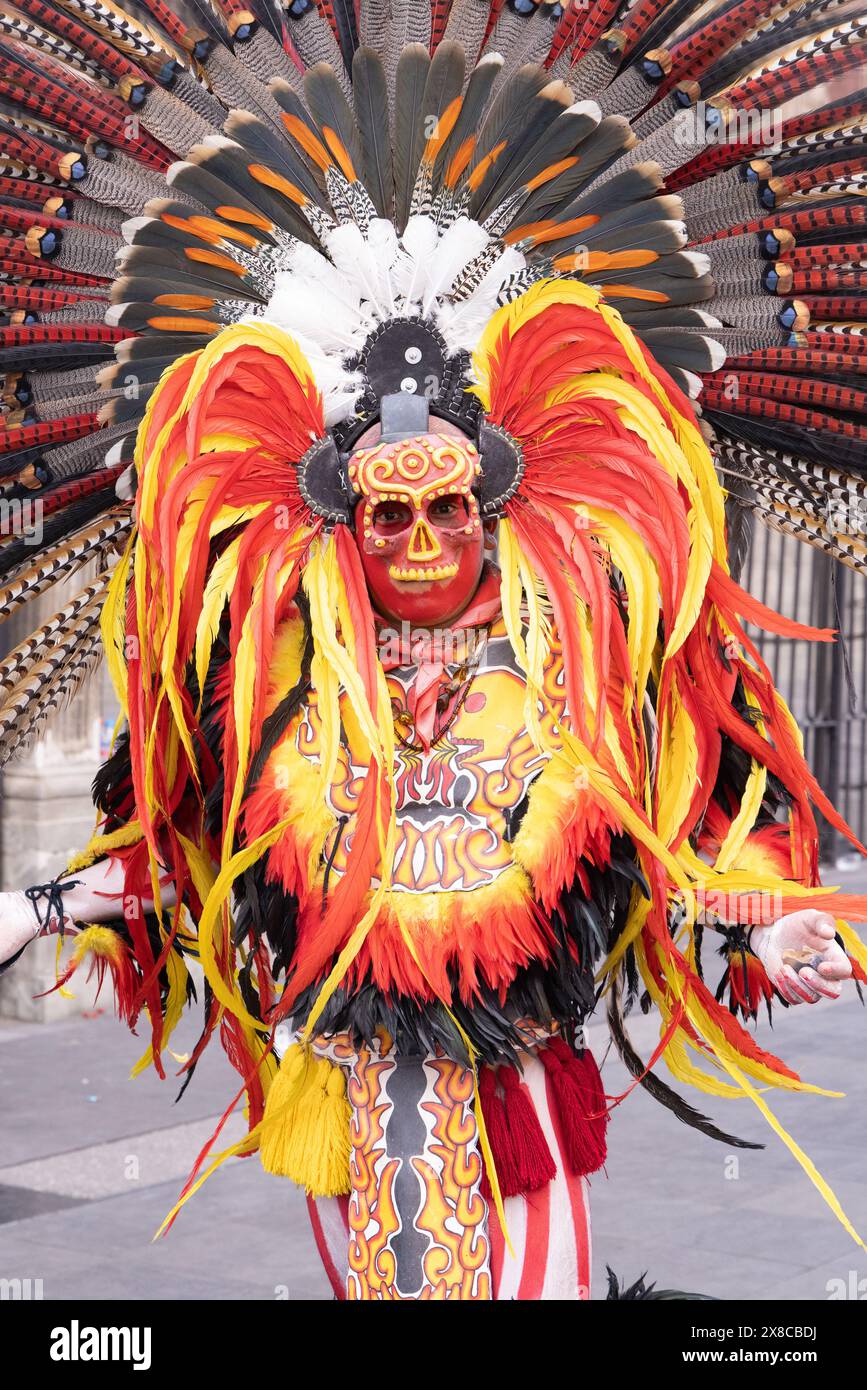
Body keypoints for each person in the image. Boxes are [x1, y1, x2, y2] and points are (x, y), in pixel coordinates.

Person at [0, 0, 864, 1301]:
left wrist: (780, 919)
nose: (416, 538)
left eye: (446, 506)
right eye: (388, 512)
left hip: (519, 1088)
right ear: (346, 519)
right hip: (347, 1105)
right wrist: (42, 904)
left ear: (490, 503)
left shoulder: (575, 646)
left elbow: (692, 810)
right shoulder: (281, 680)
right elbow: (182, 839)